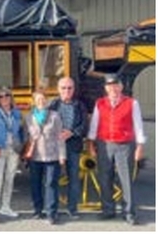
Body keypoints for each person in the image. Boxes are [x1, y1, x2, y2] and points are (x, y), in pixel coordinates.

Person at [87, 74, 146, 225]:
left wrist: (140, 146)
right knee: (105, 178)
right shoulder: (100, 103)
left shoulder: (132, 103)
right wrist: (91, 144)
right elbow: (95, 124)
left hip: (125, 145)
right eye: (109, 85)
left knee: (125, 179)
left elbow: (138, 126)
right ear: (106, 88)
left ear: (121, 87)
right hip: (104, 144)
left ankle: (129, 212)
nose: (113, 88)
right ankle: (108, 210)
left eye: (115, 85)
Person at [48, 76, 88, 219]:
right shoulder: (52, 105)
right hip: (55, 147)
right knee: (52, 179)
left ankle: (72, 209)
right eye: (63, 88)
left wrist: (71, 132)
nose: (67, 90)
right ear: (58, 89)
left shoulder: (80, 105)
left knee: (74, 179)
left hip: (73, 145)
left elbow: (84, 126)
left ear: (74, 89)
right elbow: (45, 124)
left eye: (69, 88)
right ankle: (53, 211)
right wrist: (57, 133)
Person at [25, 90, 65, 225]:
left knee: (51, 184)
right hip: (35, 156)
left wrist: (62, 155)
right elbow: (27, 137)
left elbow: (60, 137)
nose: (40, 102)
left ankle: (51, 213)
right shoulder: (29, 116)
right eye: (38, 100)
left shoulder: (55, 116)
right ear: (34, 102)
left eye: (43, 99)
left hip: (52, 156)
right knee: (35, 184)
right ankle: (37, 210)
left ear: (47, 100)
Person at [0, 86, 23, 224]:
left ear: (11, 97)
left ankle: (6, 206)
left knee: (10, 179)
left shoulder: (16, 113)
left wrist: (20, 147)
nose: (4, 98)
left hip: (13, 150)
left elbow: (20, 131)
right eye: (1, 96)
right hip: (0, 149)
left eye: (7, 95)